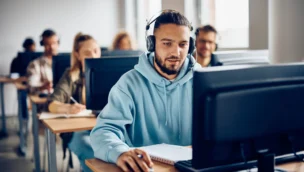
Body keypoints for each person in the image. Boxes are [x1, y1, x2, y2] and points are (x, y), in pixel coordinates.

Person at [90, 10, 200, 172]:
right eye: (167, 43)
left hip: (193, 168)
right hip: (146, 169)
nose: (176, 53)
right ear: (151, 44)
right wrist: (121, 153)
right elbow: (103, 131)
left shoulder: (202, 80)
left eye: (182, 44)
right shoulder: (129, 84)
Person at [48, 33, 101, 172]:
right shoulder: (71, 75)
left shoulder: (108, 71)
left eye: (96, 51)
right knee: (89, 148)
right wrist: (67, 108)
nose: (94, 56)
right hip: (77, 131)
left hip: (103, 127)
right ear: (78, 55)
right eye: (88, 53)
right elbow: (52, 104)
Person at [27, 29, 59, 96]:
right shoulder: (35, 64)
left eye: (54, 43)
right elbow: (31, 87)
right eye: (48, 44)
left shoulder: (68, 62)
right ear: (42, 45)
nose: (51, 47)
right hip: (46, 101)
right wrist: (43, 87)